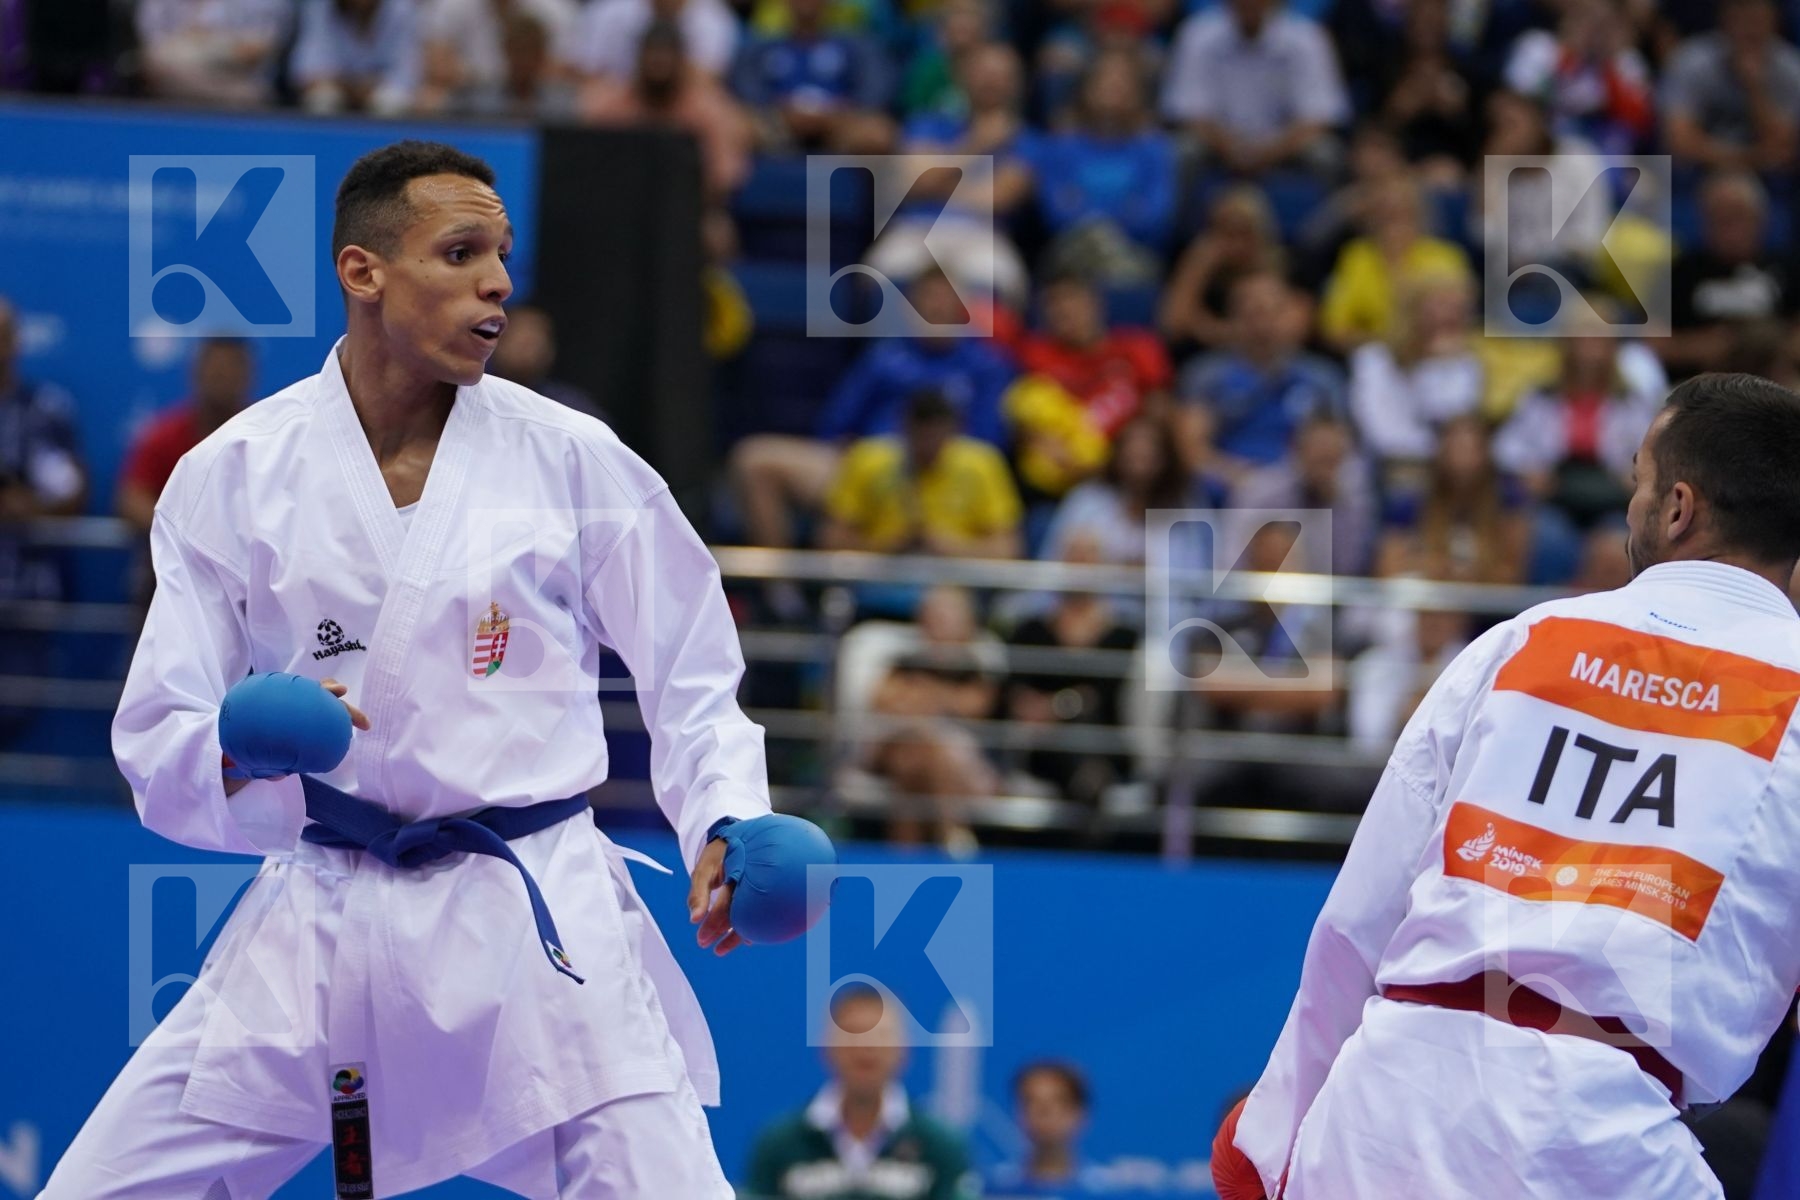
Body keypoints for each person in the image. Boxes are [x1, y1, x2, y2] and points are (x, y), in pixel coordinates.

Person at [44, 141, 777, 1199]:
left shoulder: (572, 459)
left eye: (503, 256)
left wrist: (723, 820)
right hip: (324, 913)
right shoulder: (234, 475)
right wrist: (240, 749)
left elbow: (695, 667)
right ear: (363, 271)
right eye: (461, 251)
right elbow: (160, 737)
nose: (498, 284)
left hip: (533, 919)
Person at [1213, 372, 1800, 1200]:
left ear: (1677, 508)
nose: (1627, 507)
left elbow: (1360, 917)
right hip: (1603, 1141)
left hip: (1388, 1106)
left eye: (1636, 482)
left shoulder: (1524, 641)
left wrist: (1271, 1136)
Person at [746, 986, 979, 1199]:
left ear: (904, 1048)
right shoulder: (781, 1143)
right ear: (826, 1045)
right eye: (853, 1032)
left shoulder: (939, 1145)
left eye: (881, 1035)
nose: (867, 1046)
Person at [818, 388, 1023, 560]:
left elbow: (1007, 550)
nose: (927, 447)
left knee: (944, 602)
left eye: (935, 438)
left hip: (955, 579)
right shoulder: (867, 459)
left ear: (954, 430)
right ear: (903, 428)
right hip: (880, 577)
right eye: (920, 437)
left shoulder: (982, 463)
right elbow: (830, 541)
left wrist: (945, 546)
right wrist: (888, 545)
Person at [1160, 0, 1349, 178]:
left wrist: (1269, 152)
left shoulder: (1308, 37)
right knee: (1182, 150)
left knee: (1325, 154)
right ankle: (1177, 213)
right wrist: (1231, 149)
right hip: (1217, 146)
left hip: (1286, 146)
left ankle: (1324, 213)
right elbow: (1189, 113)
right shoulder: (1197, 33)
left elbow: (1318, 117)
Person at [117, 338, 255, 535]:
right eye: (215, 370)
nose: (222, 376)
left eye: (230, 369)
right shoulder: (163, 435)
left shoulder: (269, 438)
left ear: (248, 375)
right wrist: (186, 536)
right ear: (195, 373)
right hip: (173, 557)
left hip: (249, 555)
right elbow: (132, 499)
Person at [985, 1061, 1108, 1195]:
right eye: (1030, 1101)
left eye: (1059, 1101)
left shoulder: (1106, 1191)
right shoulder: (990, 1190)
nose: (1044, 1111)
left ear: (1081, 1113)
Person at [290, 0, 422, 115]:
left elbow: (407, 72)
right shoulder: (320, 7)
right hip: (338, 86)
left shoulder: (402, 9)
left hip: (381, 87)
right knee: (322, 98)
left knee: (391, 102)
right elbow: (307, 68)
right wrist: (349, 86)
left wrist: (370, 86)